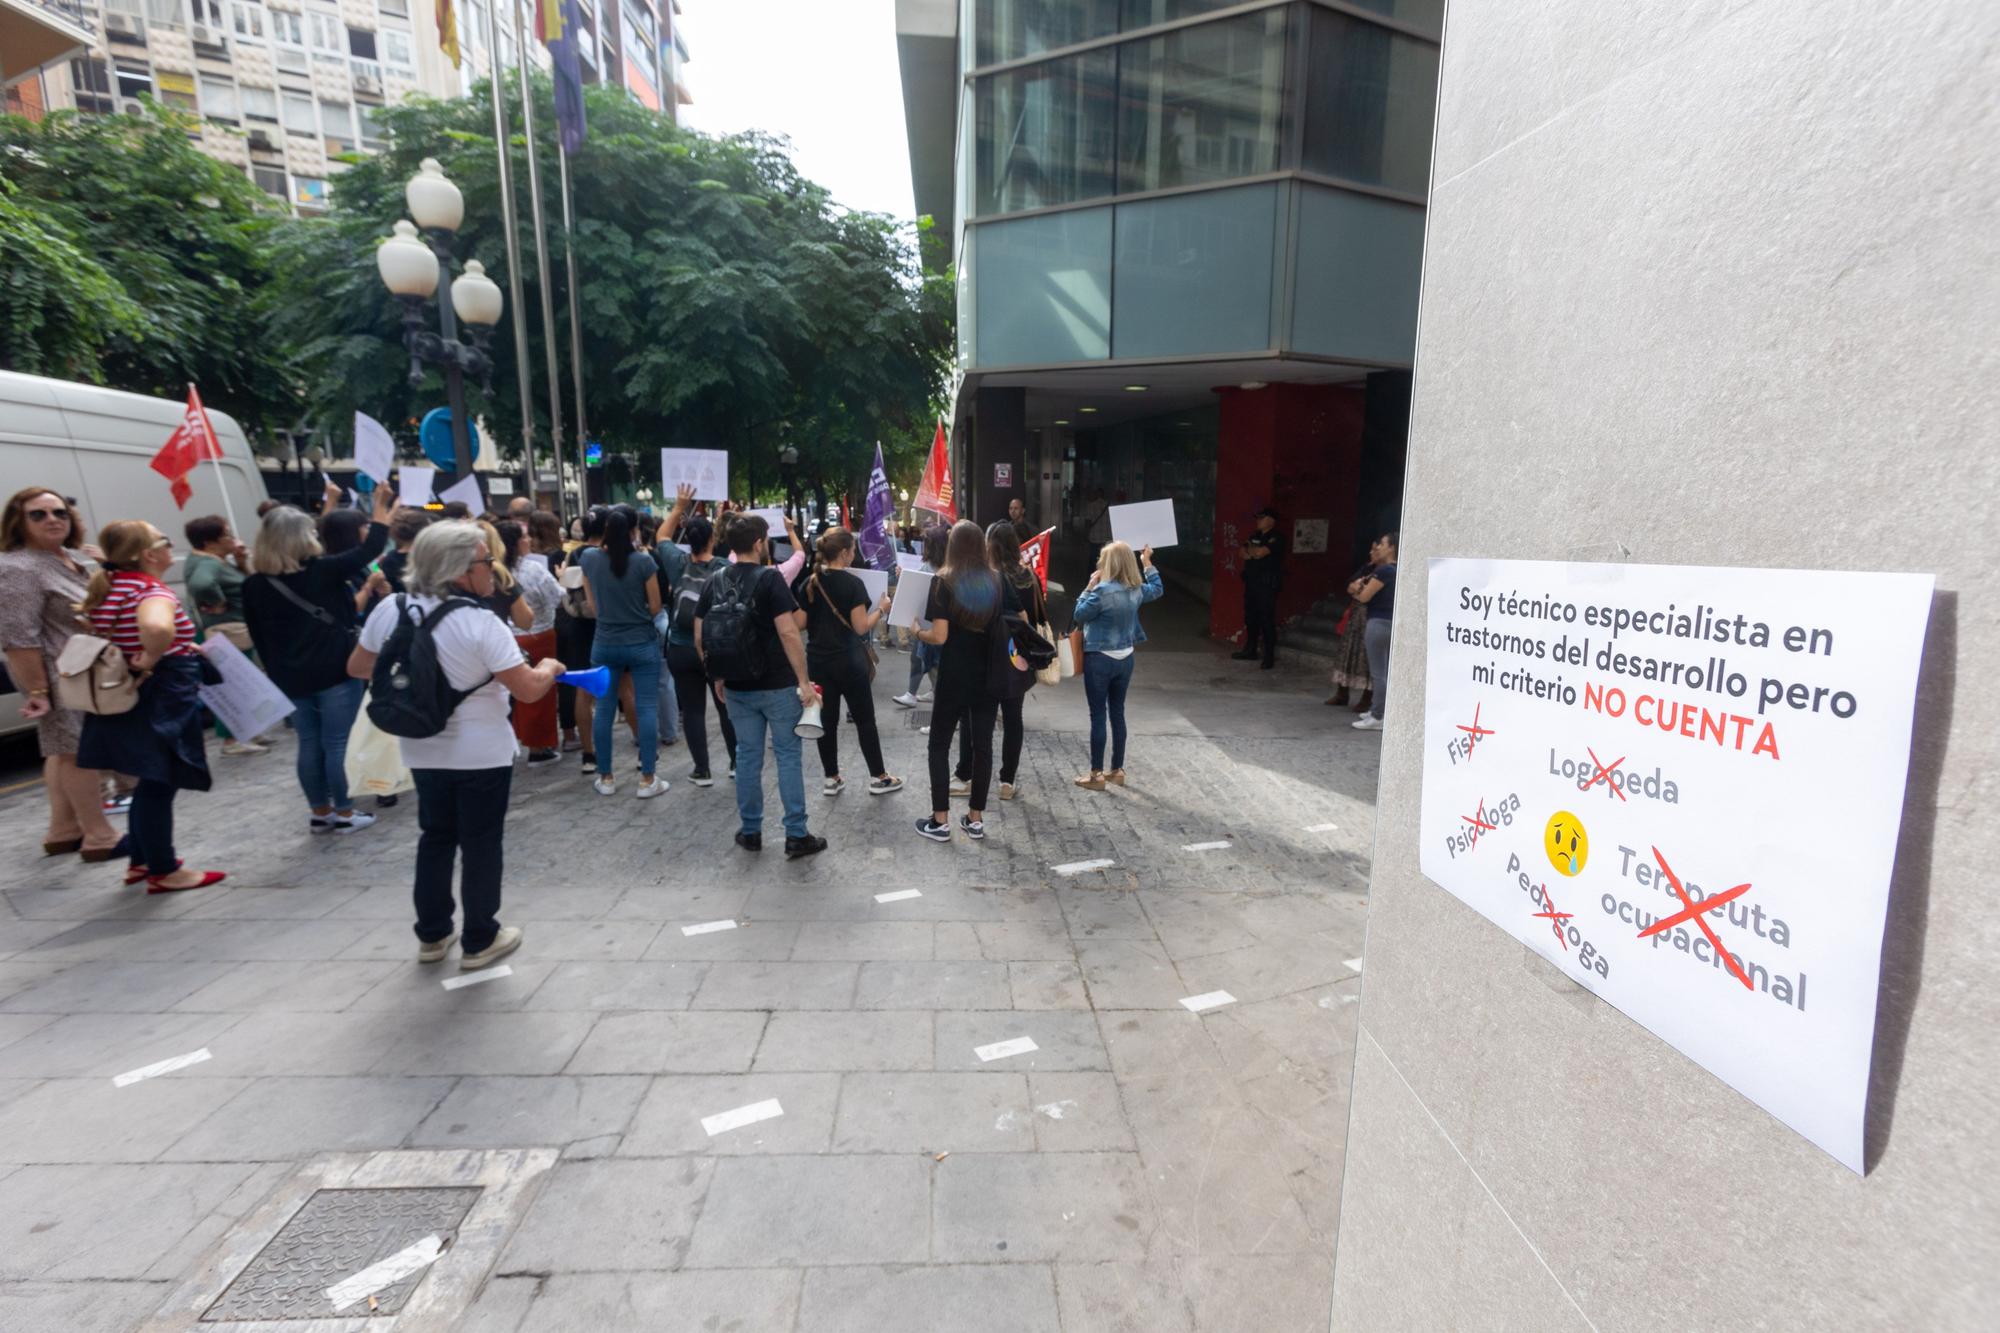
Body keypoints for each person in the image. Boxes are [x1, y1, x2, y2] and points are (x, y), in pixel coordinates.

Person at [349, 521, 564, 970]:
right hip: (481, 751)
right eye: (487, 561)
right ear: (462, 570)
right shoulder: (482, 623)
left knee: (435, 836)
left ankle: (432, 934)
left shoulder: (391, 608)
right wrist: (548, 667)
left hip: (421, 745)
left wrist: (416, 684)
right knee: (481, 842)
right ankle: (480, 937)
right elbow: (527, 689)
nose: (492, 569)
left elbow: (358, 666)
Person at [75, 521, 224, 892]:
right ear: (148, 554)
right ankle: (164, 869)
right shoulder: (149, 589)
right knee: (161, 780)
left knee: (148, 778)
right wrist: (154, 656)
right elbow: (156, 629)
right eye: (165, 540)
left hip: (132, 693)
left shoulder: (111, 587)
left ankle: (141, 861)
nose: (170, 546)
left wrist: (163, 651)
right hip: (162, 694)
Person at [243, 482, 395, 834]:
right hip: (335, 670)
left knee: (309, 743)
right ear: (301, 538)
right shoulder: (322, 572)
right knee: (338, 741)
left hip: (289, 675)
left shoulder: (255, 584)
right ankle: (344, 812)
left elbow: (258, 635)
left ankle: (320, 810)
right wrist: (381, 507)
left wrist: (275, 672)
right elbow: (370, 548)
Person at [0, 488, 124, 860]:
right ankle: (99, 836)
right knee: (75, 752)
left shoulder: (68, 558)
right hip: (57, 672)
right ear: (18, 523)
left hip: (86, 667)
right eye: (38, 515)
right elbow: (17, 637)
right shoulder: (16, 567)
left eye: (59, 512)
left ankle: (63, 829)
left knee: (60, 750)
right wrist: (37, 690)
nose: (52, 519)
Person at [695, 514, 825, 857]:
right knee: (787, 756)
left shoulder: (715, 580)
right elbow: (788, 632)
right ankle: (796, 834)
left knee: (748, 756)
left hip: (737, 685)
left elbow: (701, 635)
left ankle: (751, 830)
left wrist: (718, 675)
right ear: (758, 543)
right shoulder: (770, 579)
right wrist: (804, 682)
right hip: (779, 685)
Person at [912, 520, 1002, 842]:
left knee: (939, 744)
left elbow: (939, 635)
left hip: (953, 675)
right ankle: (975, 820)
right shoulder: (995, 580)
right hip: (986, 677)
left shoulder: (943, 581)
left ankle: (940, 821)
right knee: (983, 748)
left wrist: (916, 632)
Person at [951, 521, 1046, 802]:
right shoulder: (1028, 577)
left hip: (985, 656)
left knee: (974, 718)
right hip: (1016, 656)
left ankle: (965, 774)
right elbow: (1035, 615)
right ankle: (1007, 780)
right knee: (1014, 718)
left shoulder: (986, 576)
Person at [803, 528, 901, 797]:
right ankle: (879, 776)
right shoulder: (852, 584)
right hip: (848, 660)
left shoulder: (811, 582)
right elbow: (860, 627)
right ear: (844, 553)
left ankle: (831, 778)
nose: (855, 555)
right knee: (864, 719)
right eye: (853, 550)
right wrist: (882, 609)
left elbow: (800, 622)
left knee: (828, 720)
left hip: (818, 661)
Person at [579, 505, 666, 797]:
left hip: (604, 642)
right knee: (645, 707)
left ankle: (606, 777)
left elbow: (592, 604)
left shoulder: (589, 558)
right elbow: (655, 607)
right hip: (641, 641)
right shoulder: (643, 562)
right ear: (634, 530)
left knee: (603, 709)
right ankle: (647, 779)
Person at [1072, 540, 1164, 791]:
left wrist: (1089, 587)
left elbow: (1079, 615)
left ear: (1109, 563)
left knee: (1098, 715)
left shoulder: (1102, 592)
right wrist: (1147, 563)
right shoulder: (1135, 589)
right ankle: (1117, 769)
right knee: (1118, 712)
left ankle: (1096, 775)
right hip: (1126, 659)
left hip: (1100, 658)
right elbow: (1157, 588)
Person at [183, 514, 266, 757]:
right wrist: (218, 602)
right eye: (227, 535)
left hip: (229, 630)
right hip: (227, 630)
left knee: (241, 682)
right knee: (232, 685)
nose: (233, 539)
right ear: (210, 542)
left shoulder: (211, 558)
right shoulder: (209, 563)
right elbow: (202, 584)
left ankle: (246, 731)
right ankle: (231, 739)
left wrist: (240, 561)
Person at [665, 514, 734, 786]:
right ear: (711, 539)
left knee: (693, 711)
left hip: (681, 648)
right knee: (725, 707)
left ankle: (702, 769)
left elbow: (661, 537)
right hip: (714, 648)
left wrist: (679, 507)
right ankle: (736, 763)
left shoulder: (677, 563)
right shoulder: (723, 568)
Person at [498, 519, 562, 763]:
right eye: (524, 537)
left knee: (512, 691)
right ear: (515, 543)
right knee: (540, 691)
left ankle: (521, 738)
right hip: (539, 634)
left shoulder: (495, 570)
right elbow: (555, 596)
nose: (529, 541)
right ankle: (538, 746)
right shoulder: (532, 569)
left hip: (509, 636)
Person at [892, 523, 949, 708]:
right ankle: (920, 693)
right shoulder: (944, 565)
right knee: (925, 661)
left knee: (929, 662)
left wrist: (904, 577)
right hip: (931, 622)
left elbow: (916, 585)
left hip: (929, 623)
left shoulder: (933, 567)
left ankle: (920, 695)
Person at [1351, 532, 1397, 732]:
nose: (1379, 547)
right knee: (1383, 671)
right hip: (1389, 621)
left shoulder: (1385, 570)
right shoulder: (1397, 570)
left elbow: (1364, 597)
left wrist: (1357, 589)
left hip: (1378, 622)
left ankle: (1378, 715)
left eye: (1384, 544)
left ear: (1392, 547)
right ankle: (1378, 710)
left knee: (1379, 673)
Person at [1234, 506, 1285, 669]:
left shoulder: (1276, 537)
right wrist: (1251, 552)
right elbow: (1242, 552)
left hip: (1267, 585)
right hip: (1252, 582)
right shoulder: (1254, 535)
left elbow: (1259, 553)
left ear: (1271, 520)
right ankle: (1250, 649)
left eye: (1261, 518)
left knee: (1266, 619)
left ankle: (1269, 655)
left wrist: (1252, 552)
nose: (1258, 521)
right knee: (1250, 617)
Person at [1325, 557, 1375, 713]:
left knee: (1367, 658)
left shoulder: (1386, 572)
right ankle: (1342, 693)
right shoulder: (1367, 567)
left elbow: (1366, 594)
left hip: (1371, 617)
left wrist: (1359, 589)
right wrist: (1358, 589)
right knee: (1346, 653)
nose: (1372, 552)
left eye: (1377, 548)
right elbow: (1351, 587)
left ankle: (1367, 698)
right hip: (1355, 616)